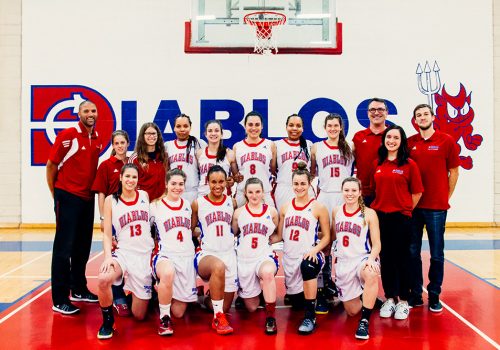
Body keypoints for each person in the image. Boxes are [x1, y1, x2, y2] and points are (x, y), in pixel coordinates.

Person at [46, 100, 102, 314]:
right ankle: (59, 298)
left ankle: (78, 289)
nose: (90, 114)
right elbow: (51, 165)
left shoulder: (96, 138)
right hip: (67, 197)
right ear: (79, 114)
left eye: (93, 111)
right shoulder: (68, 135)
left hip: (86, 199)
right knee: (63, 249)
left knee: (82, 247)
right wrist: (56, 194)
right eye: (86, 111)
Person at [407, 104, 460, 312]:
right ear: (415, 120)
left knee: (437, 253)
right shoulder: (410, 142)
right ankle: (416, 293)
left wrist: (445, 197)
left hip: (436, 208)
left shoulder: (446, 141)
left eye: (425, 114)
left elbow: (454, 172)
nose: (422, 117)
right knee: (413, 252)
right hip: (414, 207)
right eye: (418, 115)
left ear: (433, 117)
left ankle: (435, 294)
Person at [370, 125, 423, 320]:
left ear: (402, 142)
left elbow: (417, 192)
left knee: (403, 259)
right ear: (384, 140)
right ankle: (390, 297)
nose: (391, 140)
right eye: (389, 137)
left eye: (396, 138)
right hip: (381, 218)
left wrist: (406, 208)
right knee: (386, 259)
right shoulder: (378, 163)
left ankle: (404, 301)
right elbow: (372, 189)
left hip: (401, 218)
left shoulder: (409, 164)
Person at [96, 164, 155, 339]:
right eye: (127, 176)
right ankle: (108, 321)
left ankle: (133, 295)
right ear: (121, 178)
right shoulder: (110, 201)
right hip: (123, 253)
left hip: (144, 255)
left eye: (134, 177)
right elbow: (107, 234)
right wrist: (107, 257)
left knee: (139, 315)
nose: (131, 180)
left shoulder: (144, 196)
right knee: (103, 279)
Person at [277, 163, 330, 334]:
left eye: (303, 184)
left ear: (309, 184)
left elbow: (327, 236)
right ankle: (316, 296)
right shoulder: (285, 207)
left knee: (308, 267)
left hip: (311, 254)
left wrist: (315, 250)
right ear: (292, 184)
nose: (299, 187)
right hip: (290, 258)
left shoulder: (318, 207)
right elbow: (279, 236)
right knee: (297, 302)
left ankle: (310, 317)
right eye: (296, 184)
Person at [310, 113, 354, 313]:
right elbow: (311, 173)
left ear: (341, 127)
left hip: (345, 196)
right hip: (325, 195)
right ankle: (324, 282)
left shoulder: (350, 146)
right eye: (330, 126)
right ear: (325, 127)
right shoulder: (316, 147)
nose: (333, 129)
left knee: (346, 239)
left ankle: (347, 282)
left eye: (336, 126)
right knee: (324, 241)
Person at [332, 177, 381, 340]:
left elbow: (377, 244)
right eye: (346, 190)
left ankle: (365, 321)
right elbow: (333, 237)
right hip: (344, 263)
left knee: (371, 274)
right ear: (342, 191)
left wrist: (371, 259)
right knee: (352, 311)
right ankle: (367, 297)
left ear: (360, 192)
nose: (350, 194)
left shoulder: (369, 214)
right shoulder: (336, 211)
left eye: (354, 190)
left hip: (363, 259)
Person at [191, 165, 238, 335]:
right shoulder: (198, 203)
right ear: (207, 182)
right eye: (213, 182)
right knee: (218, 266)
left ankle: (205, 298)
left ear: (226, 182)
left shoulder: (231, 202)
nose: (217, 185)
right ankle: (218, 319)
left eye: (221, 181)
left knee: (225, 306)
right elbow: (192, 228)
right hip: (208, 254)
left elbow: (235, 226)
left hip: (228, 253)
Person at [151, 168, 198, 336]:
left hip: (186, 256)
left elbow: (190, 229)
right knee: (168, 273)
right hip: (165, 255)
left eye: (181, 184)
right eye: (173, 184)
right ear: (166, 184)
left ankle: (162, 291)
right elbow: (144, 228)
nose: (177, 187)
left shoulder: (187, 205)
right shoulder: (155, 206)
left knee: (178, 312)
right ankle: (164, 319)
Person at [232, 178, 280, 334]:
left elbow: (277, 234)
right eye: (250, 192)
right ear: (245, 193)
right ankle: (259, 292)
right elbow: (234, 233)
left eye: (258, 191)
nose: (254, 195)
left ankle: (271, 317)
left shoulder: (271, 212)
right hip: (245, 260)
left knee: (267, 273)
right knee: (252, 307)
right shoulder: (238, 213)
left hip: (263, 256)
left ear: (263, 192)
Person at [91, 130, 131, 316]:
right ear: (113, 145)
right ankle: (117, 295)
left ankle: (133, 291)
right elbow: (100, 193)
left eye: (123, 142)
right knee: (114, 253)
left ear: (128, 144)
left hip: (129, 218)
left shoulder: (132, 164)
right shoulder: (106, 165)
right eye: (117, 143)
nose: (120, 146)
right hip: (112, 216)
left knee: (129, 254)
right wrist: (102, 217)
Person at [233, 111, 277, 207]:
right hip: (243, 193)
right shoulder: (237, 146)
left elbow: (273, 170)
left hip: (264, 193)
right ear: (245, 126)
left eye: (257, 125)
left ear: (262, 126)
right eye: (250, 124)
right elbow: (235, 174)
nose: (253, 128)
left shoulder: (270, 145)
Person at [352, 98, 388, 206]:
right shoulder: (358, 137)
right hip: (364, 194)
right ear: (368, 113)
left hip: (387, 193)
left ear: (386, 113)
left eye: (380, 109)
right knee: (364, 223)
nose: (376, 113)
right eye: (372, 110)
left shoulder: (393, 136)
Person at [274, 114, 313, 212]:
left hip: (303, 189)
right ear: (286, 127)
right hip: (284, 188)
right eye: (291, 125)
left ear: (303, 128)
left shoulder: (309, 145)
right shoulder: (277, 145)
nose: (294, 128)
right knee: (283, 221)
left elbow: (313, 171)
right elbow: (272, 169)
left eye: (298, 126)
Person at [165, 114, 206, 203]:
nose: (182, 129)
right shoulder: (168, 145)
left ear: (190, 127)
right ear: (174, 128)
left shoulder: (199, 143)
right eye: (178, 126)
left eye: (185, 126)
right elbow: (165, 169)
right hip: (174, 191)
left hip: (193, 191)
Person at [196, 120, 238, 197]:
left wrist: (232, 180)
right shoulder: (199, 153)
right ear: (205, 134)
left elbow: (236, 177)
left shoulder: (229, 153)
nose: (213, 133)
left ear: (221, 134)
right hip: (203, 196)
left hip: (223, 197)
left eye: (216, 130)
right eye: (210, 131)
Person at [129, 122, 167, 201]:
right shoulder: (135, 159)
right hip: (142, 203)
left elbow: (168, 179)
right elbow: (129, 184)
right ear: (142, 136)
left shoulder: (164, 156)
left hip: (161, 203)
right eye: (148, 133)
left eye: (154, 133)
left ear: (158, 135)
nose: (151, 136)